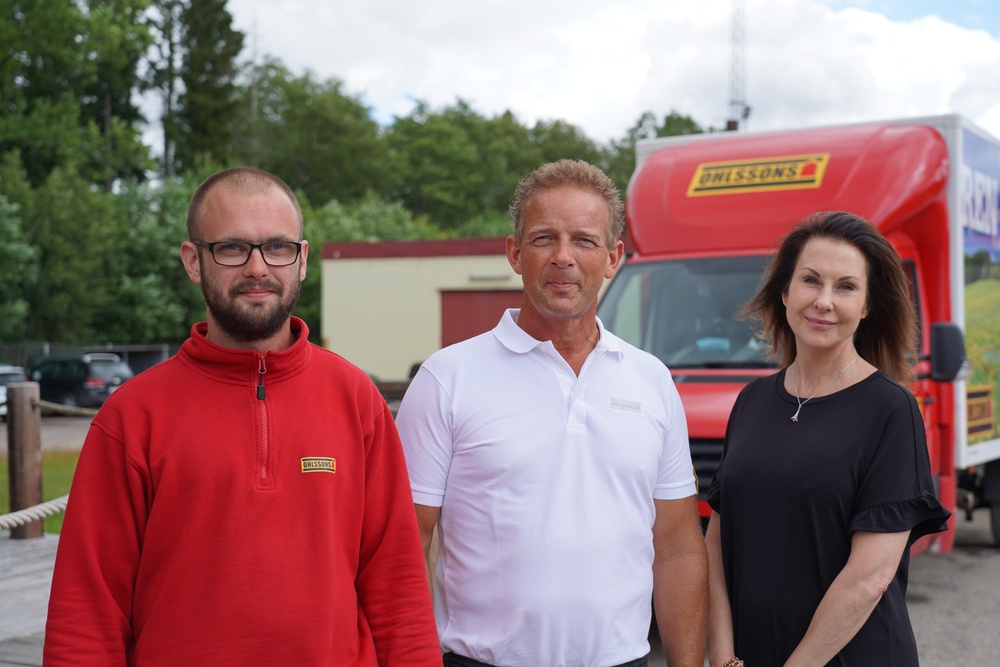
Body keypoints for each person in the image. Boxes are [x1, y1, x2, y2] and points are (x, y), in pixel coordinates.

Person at [43, 167, 442, 666]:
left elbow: (397, 587)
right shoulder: (132, 415)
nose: (258, 267)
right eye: (232, 248)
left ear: (301, 260)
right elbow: (86, 609)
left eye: (277, 247)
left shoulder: (356, 399)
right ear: (194, 261)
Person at [395, 159, 709, 667]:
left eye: (584, 241)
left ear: (613, 259)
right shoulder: (446, 379)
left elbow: (676, 547)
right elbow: (407, 546)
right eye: (544, 239)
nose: (563, 257)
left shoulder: (652, 380)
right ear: (515, 254)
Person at [705, 211, 952, 667]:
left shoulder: (890, 410)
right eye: (811, 280)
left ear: (867, 305)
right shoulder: (752, 400)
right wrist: (720, 652)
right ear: (784, 291)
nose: (823, 301)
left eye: (845, 287)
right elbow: (718, 542)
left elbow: (870, 576)